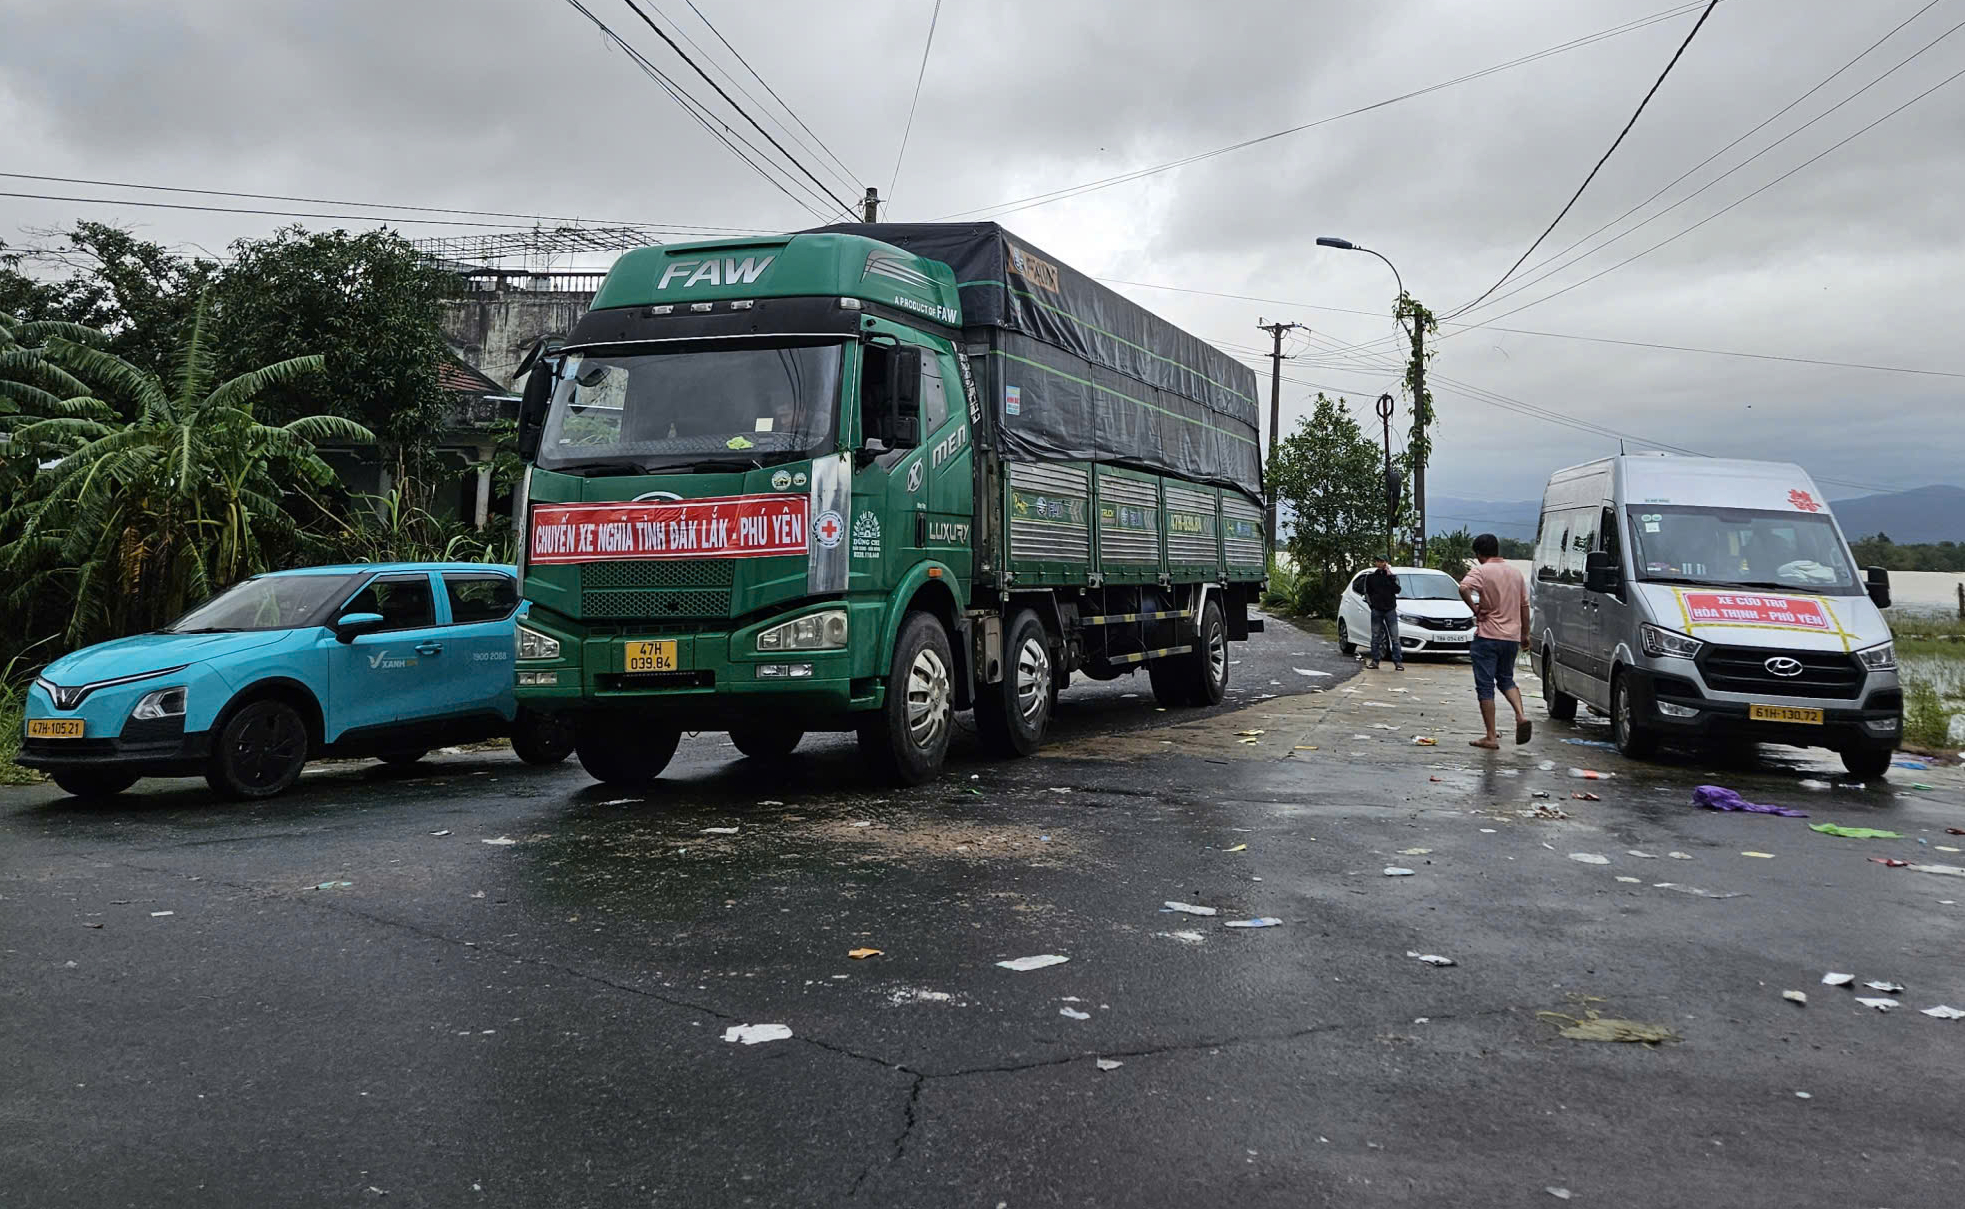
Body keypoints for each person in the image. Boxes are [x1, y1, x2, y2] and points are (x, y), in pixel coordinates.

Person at [1459, 532, 1533, 749]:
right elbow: (1524, 607)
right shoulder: (1515, 573)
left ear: (1479, 554)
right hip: (1511, 638)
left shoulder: (1481, 570)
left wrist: (1474, 609)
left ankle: (1491, 737)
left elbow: (1463, 587)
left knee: (1485, 687)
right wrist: (1525, 635)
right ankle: (1520, 715)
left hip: (1488, 637)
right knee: (1506, 679)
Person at [1362, 556, 1403, 671]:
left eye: (1382, 561)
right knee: (1376, 636)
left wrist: (1390, 575)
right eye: (1378, 561)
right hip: (1377, 610)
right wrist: (1373, 606)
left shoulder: (1392, 577)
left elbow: (1397, 590)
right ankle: (1375, 660)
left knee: (1394, 637)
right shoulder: (1371, 577)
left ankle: (1398, 662)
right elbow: (1367, 592)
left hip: (1390, 609)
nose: (1380, 563)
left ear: (1386, 563)